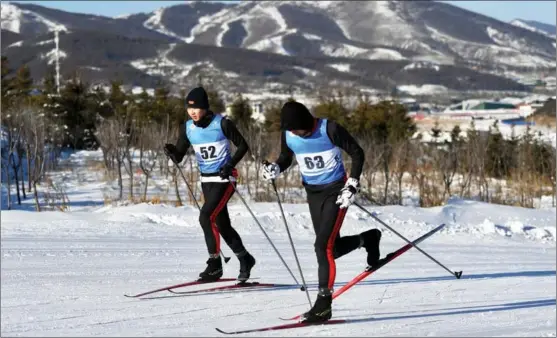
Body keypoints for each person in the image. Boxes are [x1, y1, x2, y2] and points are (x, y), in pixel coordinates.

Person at [261, 101, 382, 323]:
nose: (294, 133)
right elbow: (286, 157)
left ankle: (323, 305)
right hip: (313, 193)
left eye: (297, 129)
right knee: (331, 249)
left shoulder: (329, 129)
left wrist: (352, 184)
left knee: (321, 246)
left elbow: (357, 152)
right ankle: (369, 239)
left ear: (305, 122)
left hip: (336, 190)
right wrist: (276, 167)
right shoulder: (289, 134)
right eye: (290, 130)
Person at [164, 87, 256, 283]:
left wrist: (230, 164)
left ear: (205, 107)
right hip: (207, 181)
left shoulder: (221, 124)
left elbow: (243, 145)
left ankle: (214, 264)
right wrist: (172, 151)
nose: (193, 112)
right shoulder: (187, 128)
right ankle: (245, 258)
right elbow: (179, 156)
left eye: (196, 108)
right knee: (222, 224)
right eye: (189, 109)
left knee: (206, 217)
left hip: (224, 179)